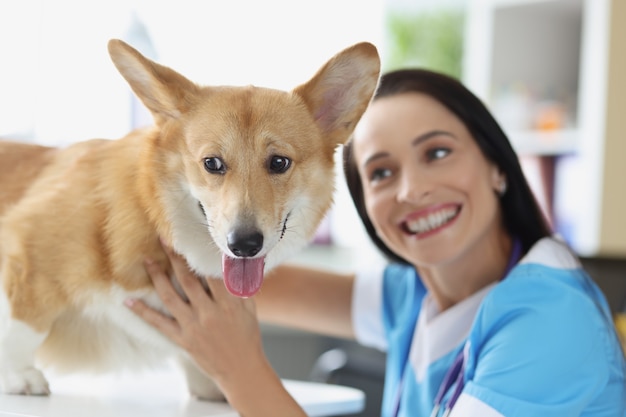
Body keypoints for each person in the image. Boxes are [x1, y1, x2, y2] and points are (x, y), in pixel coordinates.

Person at [126, 69, 626, 417]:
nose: (410, 190)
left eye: (437, 152)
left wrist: (239, 370)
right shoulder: (417, 293)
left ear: (497, 165)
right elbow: (242, 283)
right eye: (382, 172)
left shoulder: (550, 321)